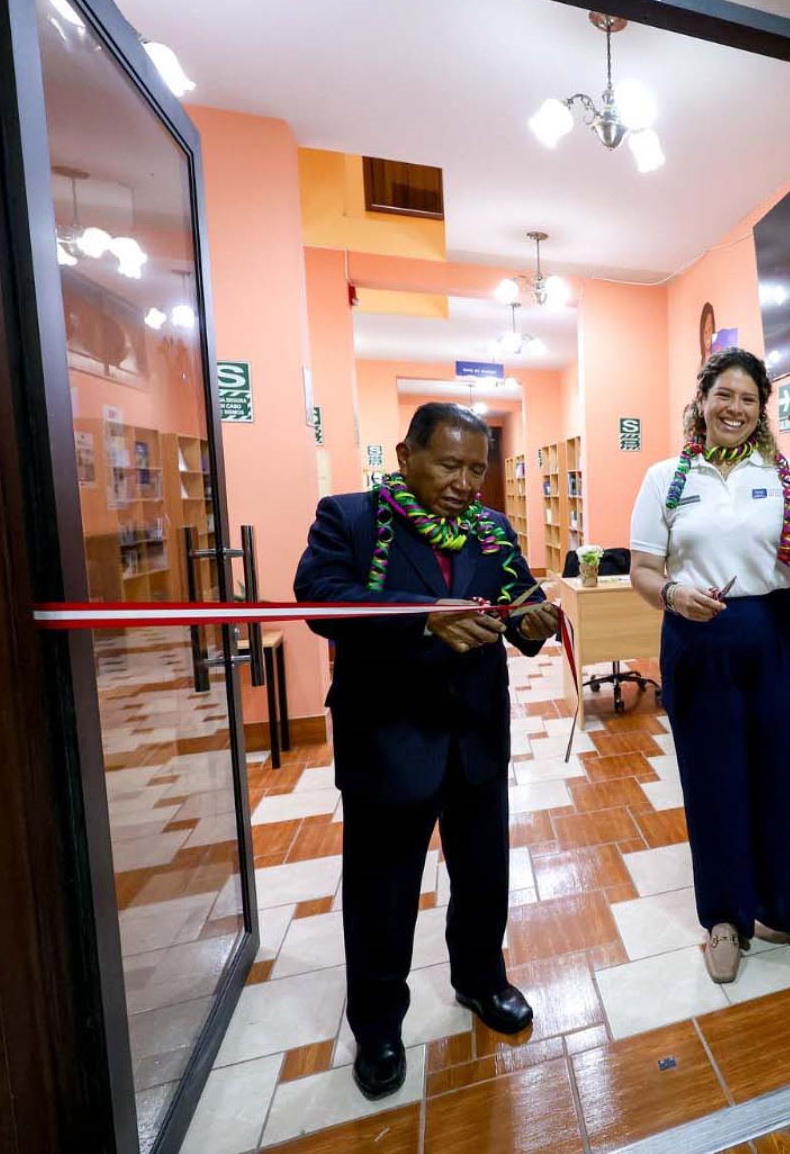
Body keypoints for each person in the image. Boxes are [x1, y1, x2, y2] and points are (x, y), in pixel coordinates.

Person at [293, 402, 560, 1101]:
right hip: (389, 737)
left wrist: (536, 621)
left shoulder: (491, 528)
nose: (465, 482)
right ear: (406, 454)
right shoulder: (349, 518)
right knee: (382, 893)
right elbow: (321, 599)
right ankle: (379, 1025)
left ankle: (480, 980)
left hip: (475, 734)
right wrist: (423, 619)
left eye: (476, 468)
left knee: (482, 876)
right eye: (449, 464)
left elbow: (520, 605)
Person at [628, 348, 790, 984]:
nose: (737, 409)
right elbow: (642, 569)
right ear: (702, 400)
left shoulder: (782, 474)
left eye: (750, 399)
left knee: (780, 774)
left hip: (773, 631)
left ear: (762, 409)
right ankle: (725, 918)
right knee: (713, 777)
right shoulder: (665, 476)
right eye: (726, 395)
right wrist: (670, 594)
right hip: (699, 636)